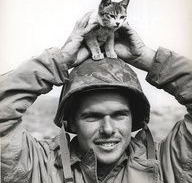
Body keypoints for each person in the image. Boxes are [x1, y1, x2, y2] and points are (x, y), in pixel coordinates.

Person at [1, 11, 192, 183]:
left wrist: (146, 58)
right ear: (71, 123)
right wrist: (58, 61)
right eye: (92, 116)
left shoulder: (167, 165)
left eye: (119, 115)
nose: (108, 129)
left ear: (134, 118)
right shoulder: (40, 166)